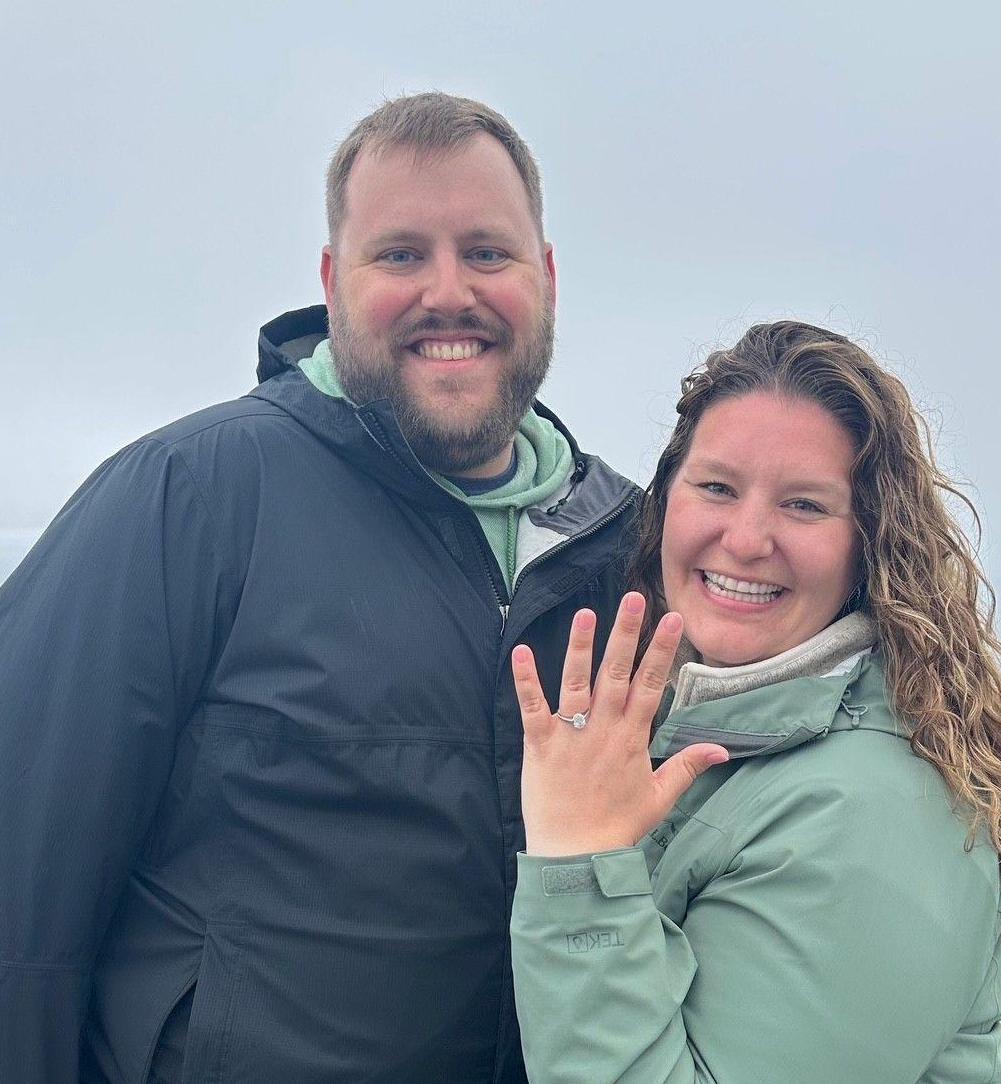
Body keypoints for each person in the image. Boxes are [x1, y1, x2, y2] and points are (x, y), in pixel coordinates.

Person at [0, 93, 639, 1083]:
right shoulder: (193, 495)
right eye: (399, 255)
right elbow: (21, 885)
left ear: (545, 277)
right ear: (333, 281)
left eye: (485, 252)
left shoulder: (628, 548)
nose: (448, 291)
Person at [509, 321, 1001, 1083]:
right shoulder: (721, 733)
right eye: (716, 487)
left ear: (869, 544)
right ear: (664, 503)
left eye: (804, 506)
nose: (745, 539)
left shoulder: (873, 810)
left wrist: (579, 867)